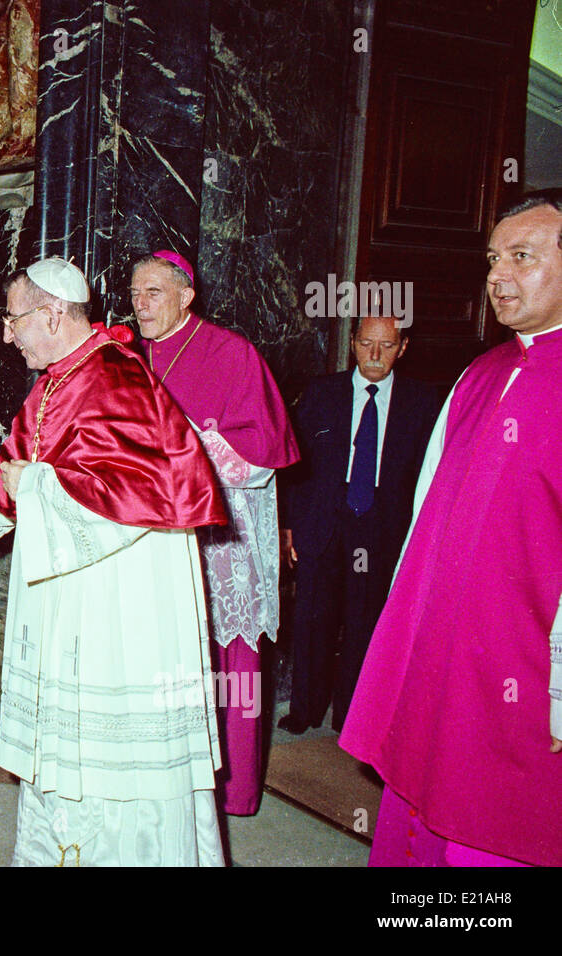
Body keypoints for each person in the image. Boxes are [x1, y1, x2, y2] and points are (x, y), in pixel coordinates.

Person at [0, 258, 228, 866]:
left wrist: (36, 485)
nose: (5, 333)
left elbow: (130, 494)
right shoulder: (58, 380)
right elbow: (12, 467)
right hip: (73, 584)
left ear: (52, 314)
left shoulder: (116, 379)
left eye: (13, 318)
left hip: (118, 596)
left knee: (109, 751)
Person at [339, 191, 562, 867]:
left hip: (523, 665)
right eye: (494, 258)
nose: (498, 276)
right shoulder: (477, 373)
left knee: (492, 825)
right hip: (438, 648)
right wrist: (402, 628)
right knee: (416, 806)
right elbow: (421, 523)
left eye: (522, 258)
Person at [130, 250, 299, 817]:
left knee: (232, 665)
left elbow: (262, 457)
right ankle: (168, 775)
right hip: (149, 534)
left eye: (155, 292)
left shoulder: (233, 353)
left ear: (186, 295)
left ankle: (235, 788)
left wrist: (192, 449)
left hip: (220, 538)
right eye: (135, 293)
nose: (141, 304)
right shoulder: (128, 355)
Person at [279, 315, 441, 734]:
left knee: (364, 619)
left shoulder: (423, 402)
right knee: (313, 616)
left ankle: (351, 713)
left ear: (402, 348)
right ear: (352, 342)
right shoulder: (321, 393)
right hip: (325, 518)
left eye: (386, 346)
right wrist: (290, 526)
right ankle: (304, 708)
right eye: (366, 343)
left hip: (380, 524)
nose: (374, 355)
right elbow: (297, 467)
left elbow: (431, 473)